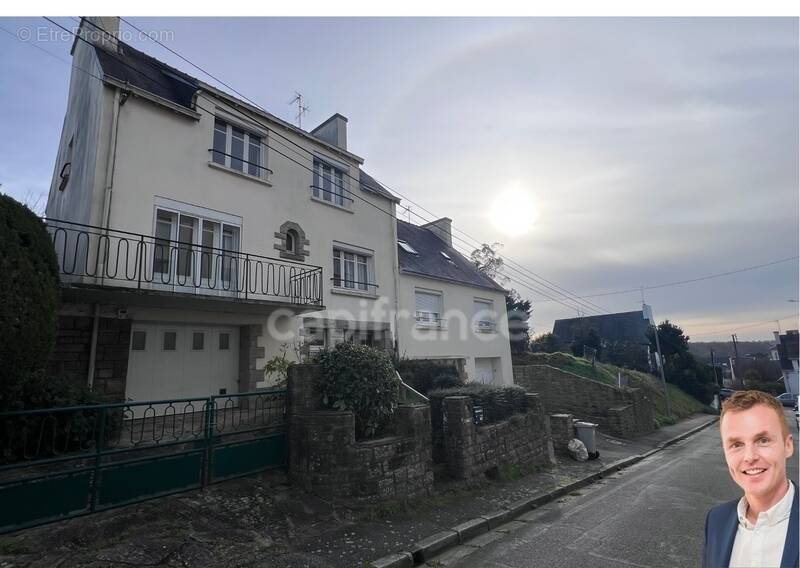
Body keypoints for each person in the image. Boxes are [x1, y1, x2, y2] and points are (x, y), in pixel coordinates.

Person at [704, 390, 798, 568]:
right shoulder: (716, 520)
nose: (749, 457)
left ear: (788, 446)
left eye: (762, 440)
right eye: (736, 445)